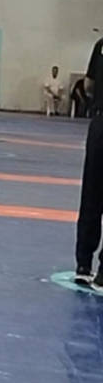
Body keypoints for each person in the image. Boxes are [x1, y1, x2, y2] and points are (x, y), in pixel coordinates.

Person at [74, 34, 103, 287]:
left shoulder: (101, 45)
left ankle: (83, 264)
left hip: (101, 123)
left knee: (92, 194)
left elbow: (89, 85)